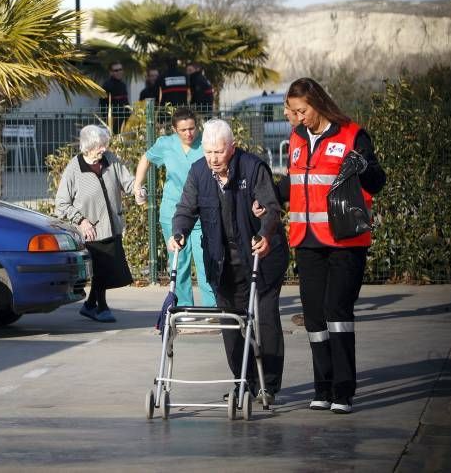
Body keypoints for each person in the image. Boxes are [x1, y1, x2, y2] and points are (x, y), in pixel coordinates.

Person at [277, 77, 386, 414]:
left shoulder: (352, 134)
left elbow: (377, 181)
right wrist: (265, 195)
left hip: (345, 240)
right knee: (313, 315)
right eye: (294, 112)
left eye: (302, 111)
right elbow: (294, 182)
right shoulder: (296, 137)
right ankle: (321, 387)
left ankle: (343, 390)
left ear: (318, 103)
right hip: (307, 240)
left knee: (336, 311)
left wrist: (363, 166)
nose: (298, 117)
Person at [168, 118, 289, 404]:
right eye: (208, 152)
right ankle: (241, 382)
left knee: (266, 316)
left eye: (218, 152)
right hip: (222, 263)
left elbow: (271, 208)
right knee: (231, 323)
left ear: (232, 148)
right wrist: (179, 232)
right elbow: (186, 208)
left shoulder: (253, 167)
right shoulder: (199, 172)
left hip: (262, 257)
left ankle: (268, 385)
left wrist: (265, 233)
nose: (213, 159)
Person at [134, 107, 216, 307]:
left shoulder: (206, 142)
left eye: (192, 128)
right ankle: (183, 308)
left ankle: (212, 308)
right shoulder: (165, 144)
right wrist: (138, 186)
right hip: (173, 212)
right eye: (184, 130)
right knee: (179, 264)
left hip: (202, 213)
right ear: (174, 129)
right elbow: (146, 159)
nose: (189, 133)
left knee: (207, 262)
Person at [55, 125, 135, 323]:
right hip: (90, 231)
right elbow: (61, 203)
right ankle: (101, 307)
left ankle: (90, 306)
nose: (104, 149)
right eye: (100, 145)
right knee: (101, 270)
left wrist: (139, 190)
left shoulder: (110, 159)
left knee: (108, 270)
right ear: (89, 146)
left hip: (112, 226)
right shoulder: (74, 168)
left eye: (105, 145)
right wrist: (81, 221)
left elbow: (129, 182)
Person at [99, 62, 130, 136]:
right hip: (112, 121)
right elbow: (102, 104)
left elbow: (126, 102)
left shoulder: (123, 85)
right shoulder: (107, 85)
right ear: (111, 72)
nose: (119, 72)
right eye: (116, 70)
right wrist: (107, 119)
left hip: (125, 120)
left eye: (120, 69)